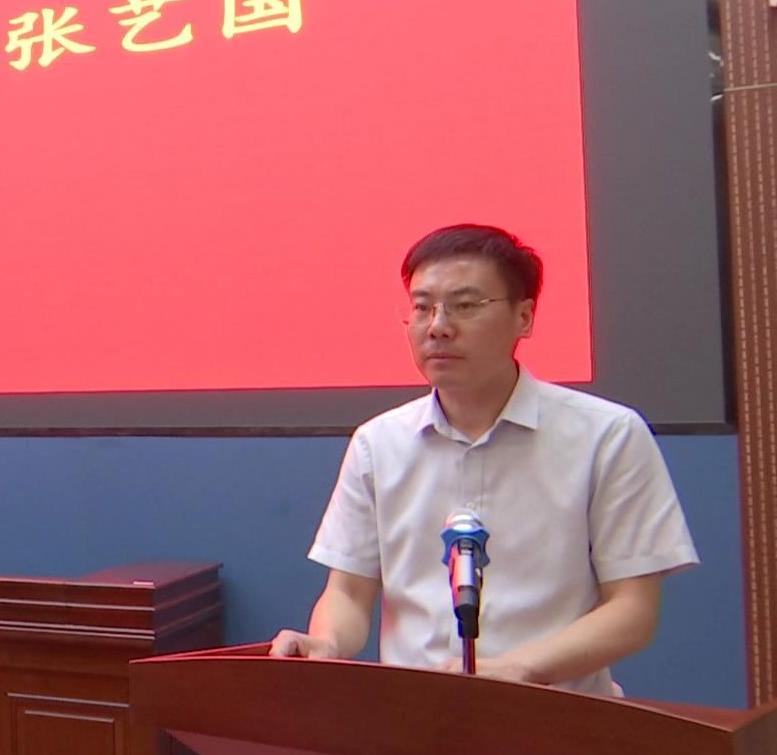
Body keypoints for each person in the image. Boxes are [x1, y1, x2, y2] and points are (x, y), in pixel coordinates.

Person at [268, 224, 698, 695]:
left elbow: (633, 609)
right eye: (422, 307)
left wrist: (519, 670)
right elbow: (348, 592)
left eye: (466, 305)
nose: (438, 326)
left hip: (557, 713)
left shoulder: (607, 435)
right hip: (417, 715)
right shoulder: (378, 443)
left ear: (524, 317)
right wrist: (328, 643)